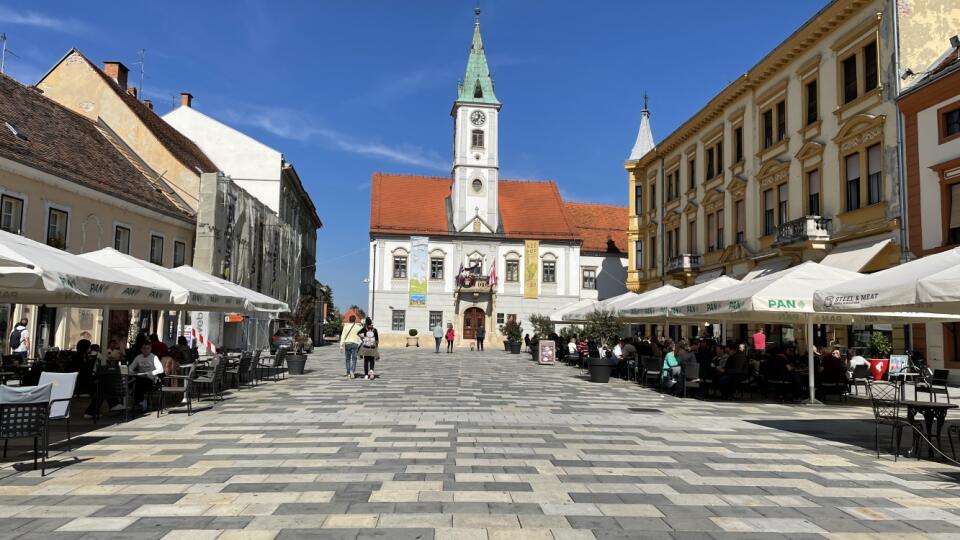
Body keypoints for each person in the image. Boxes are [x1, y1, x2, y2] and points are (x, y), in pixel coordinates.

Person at [128, 341, 164, 410]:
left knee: (139, 383)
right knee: (130, 383)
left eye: (148, 348)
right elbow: (130, 368)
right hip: (140, 377)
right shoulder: (138, 357)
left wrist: (150, 373)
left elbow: (161, 369)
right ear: (141, 349)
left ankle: (139, 403)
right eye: (144, 348)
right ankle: (140, 402)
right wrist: (133, 372)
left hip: (151, 379)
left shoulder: (154, 357)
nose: (146, 350)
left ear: (150, 349)